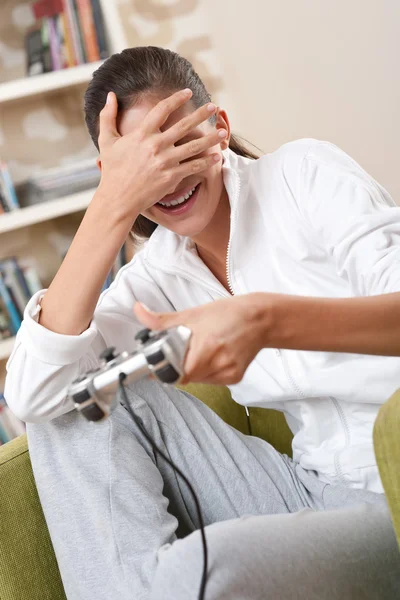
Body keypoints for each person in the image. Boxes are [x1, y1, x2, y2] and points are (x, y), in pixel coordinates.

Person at [4, 47, 400, 600]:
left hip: (391, 501)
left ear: (218, 128)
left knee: (210, 573)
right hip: (306, 491)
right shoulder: (158, 273)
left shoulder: (303, 175)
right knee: (73, 394)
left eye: (177, 144)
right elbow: (32, 396)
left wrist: (267, 321)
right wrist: (111, 207)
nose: (167, 179)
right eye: (144, 165)